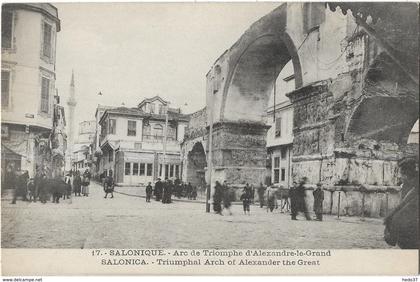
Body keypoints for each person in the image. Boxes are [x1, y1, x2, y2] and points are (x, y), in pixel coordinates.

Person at [384, 156, 419, 249]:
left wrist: (391, 217)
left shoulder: (414, 185)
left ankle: (393, 238)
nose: (400, 176)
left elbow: (406, 203)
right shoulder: (411, 184)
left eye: (401, 173)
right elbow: (405, 201)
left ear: (406, 174)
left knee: (397, 217)